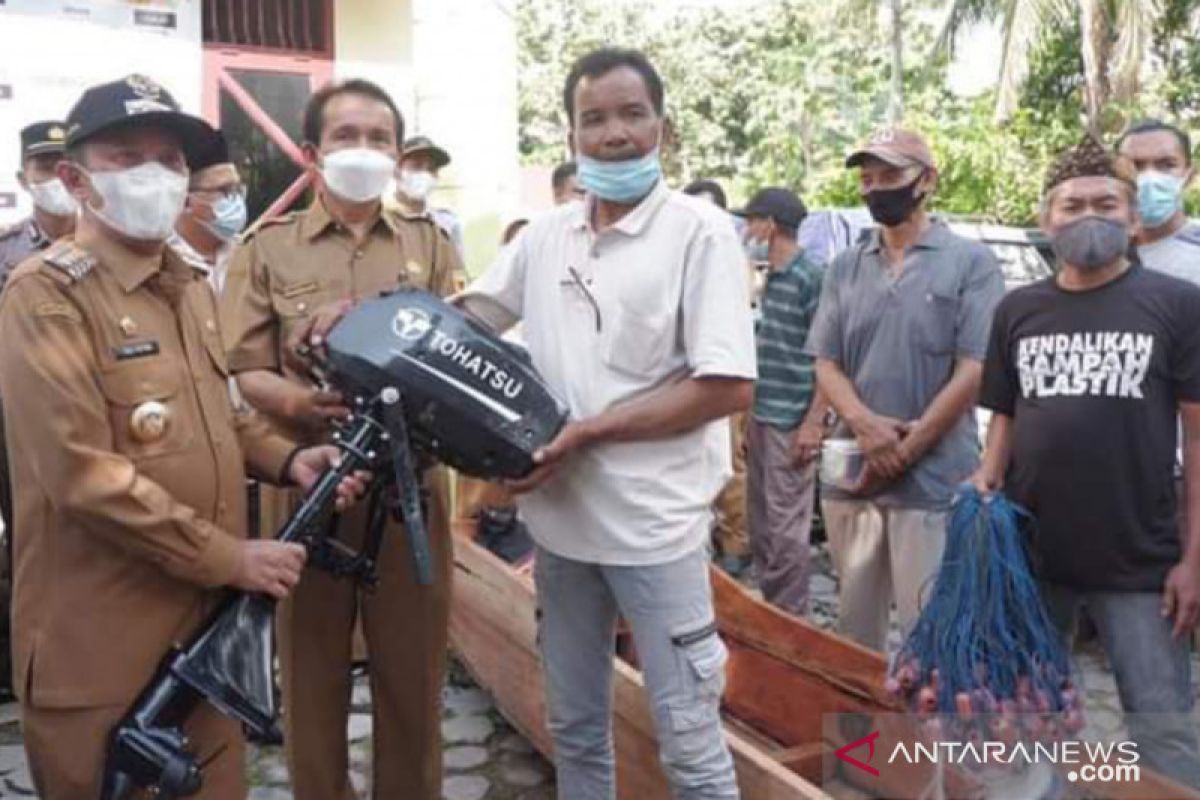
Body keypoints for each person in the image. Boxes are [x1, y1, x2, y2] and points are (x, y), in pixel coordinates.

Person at [0, 74, 364, 799]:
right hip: (104, 651)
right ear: (75, 179)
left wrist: (291, 459)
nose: (157, 175)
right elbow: (81, 476)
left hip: (206, 643)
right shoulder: (45, 296)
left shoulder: (187, 286)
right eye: (128, 156)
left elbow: (221, 415)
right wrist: (233, 557)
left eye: (170, 161)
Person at [455, 46, 754, 799]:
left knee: (690, 744)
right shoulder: (546, 237)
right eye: (594, 118)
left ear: (664, 127)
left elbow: (724, 387)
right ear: (571, 135)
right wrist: (378, 323)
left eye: (631, 114)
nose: (614, 133)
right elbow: (473, 321)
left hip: (655, 533)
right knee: (576, 731)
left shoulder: (702, 233)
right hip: (560, 530)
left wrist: (587, 433)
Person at [220, 78, 463, 800]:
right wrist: (302, 400)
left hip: (407, 495)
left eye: (379, 138)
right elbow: (240, 368)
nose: (363, 151)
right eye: (345, 136)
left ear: (397, 151)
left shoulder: (429, 244)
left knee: (413, 679)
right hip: (307, 489)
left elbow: (460, 353)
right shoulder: (267, 249)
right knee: (312, 676)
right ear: (311, 152)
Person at [970, 135, 1200, 788]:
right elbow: (1004, 420)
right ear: (1046, 221)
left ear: (1132, 219)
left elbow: (1198, 437)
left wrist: (1194, 558)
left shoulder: (1178, 305)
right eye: (1072, 205)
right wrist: (984, 481)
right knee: (1032, 718)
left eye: (1106, 203)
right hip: (1032, 559)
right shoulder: (1018, 310)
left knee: (1163, 728)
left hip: (1142, 562)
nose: (1089, 216)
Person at [805, 128, 1004, 652]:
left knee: (932, 637)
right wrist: (868, 428)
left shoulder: (970, 262)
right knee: (854, 638)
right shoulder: (845, 267)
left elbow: (975, 367)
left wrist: (905, 449)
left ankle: (924, 739)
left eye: (891, 175)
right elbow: (826, 361)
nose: (876, 189)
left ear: (927, 180)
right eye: (867, 179)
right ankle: (856, 738)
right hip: (854, 474)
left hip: (934, 478)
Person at [0, 120, 79, 700]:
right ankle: (28, 662)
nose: (53, 177)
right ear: (23, 177)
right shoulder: (6, 253)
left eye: (61, 164)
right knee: (29, 537)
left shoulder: (111, 247)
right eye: (41, 166)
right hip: (15, 422)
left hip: (95, 421)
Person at [736, 187, 828, 615]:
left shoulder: (811, 277)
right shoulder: (771, 277)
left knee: (787, 526)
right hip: (763, 415)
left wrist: (814, 422)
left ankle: (791, 617)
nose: (747, 228)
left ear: (769, 225)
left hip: (792, 419)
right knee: (762, 524)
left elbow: (828, 358)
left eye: (752, 220)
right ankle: (773, 610)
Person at [1117, 119, 1200, 286]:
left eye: (1167, 165)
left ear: (1189, 176)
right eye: (1136, 166)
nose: (1149, 177)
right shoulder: (1099, 251)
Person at [169, 126, 247, 291]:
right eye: (225, 190)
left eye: (238, 190)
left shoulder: (251, 257)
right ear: (186, 200)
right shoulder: (162, 262)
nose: (236, 200)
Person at [0, 121, 77, 285]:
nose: (60, 178)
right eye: (46, 168)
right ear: (23, 180)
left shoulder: (108, 243)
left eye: (69, 167)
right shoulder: (5, 249)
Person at [389, 134, 466, 262]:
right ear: (396, 171)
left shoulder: (447, 224)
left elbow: (456, 272)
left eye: (431, 169)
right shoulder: (379, 220)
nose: (424, 174)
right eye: (416, 166)